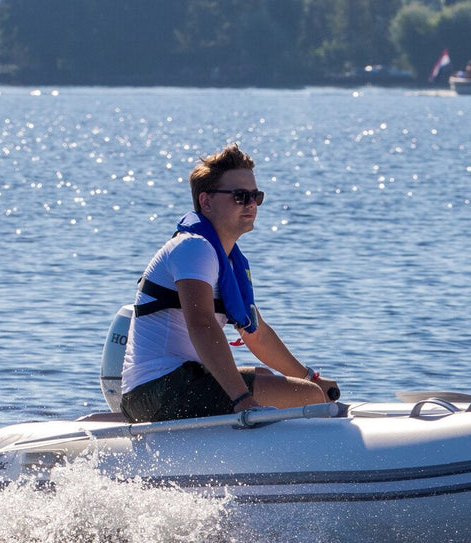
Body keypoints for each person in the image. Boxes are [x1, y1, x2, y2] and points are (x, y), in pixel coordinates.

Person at [120, 143, 338, 423]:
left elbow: (256, 335)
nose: (250, 204)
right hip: (157, 391)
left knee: (275, 381)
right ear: (206, 202)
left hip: (178, 384)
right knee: (305, 397)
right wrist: (242, 400)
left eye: (255, 196)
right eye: (239, 196)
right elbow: (201, 324)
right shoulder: (193, 249)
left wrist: (311, 378)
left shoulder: (228, 262)